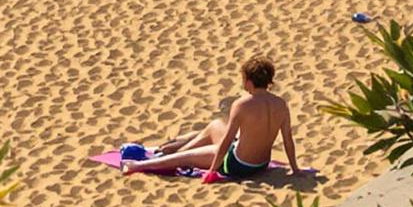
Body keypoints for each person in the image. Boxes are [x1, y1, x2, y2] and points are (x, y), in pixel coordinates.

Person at [125, 58, 298, 179]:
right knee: (215, 125)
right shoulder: (281, 104)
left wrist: (212, 171)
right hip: (261, 163)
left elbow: (225, 143)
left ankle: (138, 165)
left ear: (249, 82)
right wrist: (295, 169)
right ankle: (177, 147)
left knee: (185, 158)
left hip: (237, 165)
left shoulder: (242, 105)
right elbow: (288, 140)